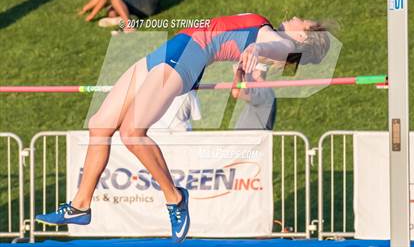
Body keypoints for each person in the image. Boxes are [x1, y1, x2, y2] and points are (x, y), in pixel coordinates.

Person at [35, 13, 330, 243]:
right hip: (173, 47)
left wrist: (257, 47)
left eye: (301, 21)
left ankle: (175, 197)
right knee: (99, 125)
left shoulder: (285, 43)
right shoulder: (265, 26)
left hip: (188, 56)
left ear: (303, 34)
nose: (294, 17)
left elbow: (273, 46)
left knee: (132, 132)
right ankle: (80, 205)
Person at [231, 63, 276, 130]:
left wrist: (239, 71)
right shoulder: (263, 89)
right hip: (251, 138)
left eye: (247, 71)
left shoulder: (262, 90)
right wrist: (238, 73)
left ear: (257, 73)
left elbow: (236, 92)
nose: (246, 74)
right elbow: (241, 86)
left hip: (252, 139)